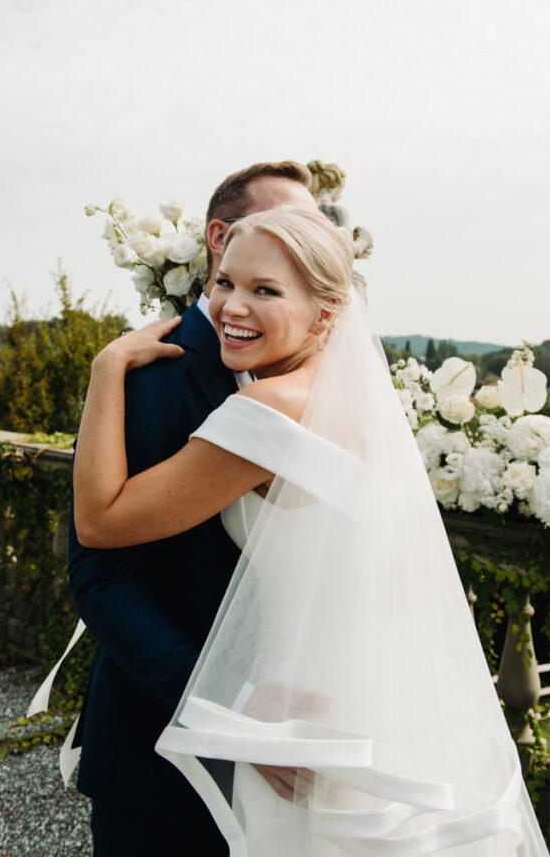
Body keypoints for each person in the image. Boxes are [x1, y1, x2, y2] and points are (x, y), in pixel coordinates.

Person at [75, 208, 550, 857]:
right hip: (372, 706)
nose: (229, 307)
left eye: (264, 291)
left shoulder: (265, 411)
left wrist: (106, 370)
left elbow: (100, 524)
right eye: (223, 283)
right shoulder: (355, 401)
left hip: (297, 716)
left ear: (326, 313)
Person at [66, 162, 317, 855]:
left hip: (305, 736)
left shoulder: (308, 375)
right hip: (165, 753)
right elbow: (103, 576)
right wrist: (230, 712)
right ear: (218, 237)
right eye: (276, 225)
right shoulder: (151, 372)